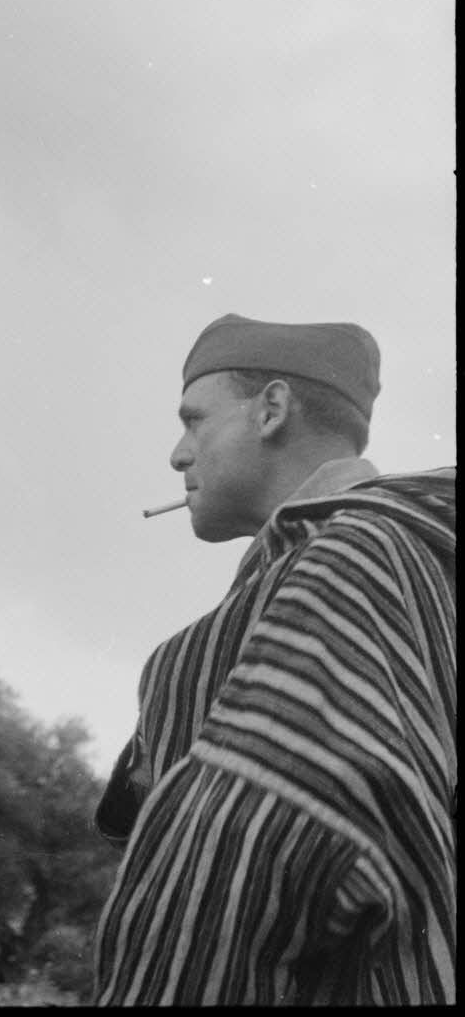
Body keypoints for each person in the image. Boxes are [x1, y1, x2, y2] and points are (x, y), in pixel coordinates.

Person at [93, 313, 455, 1006]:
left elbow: (245, 868)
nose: (177, 454)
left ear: (272, 410)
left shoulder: (353, 561)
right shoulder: (418, 557)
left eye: (194, 421)